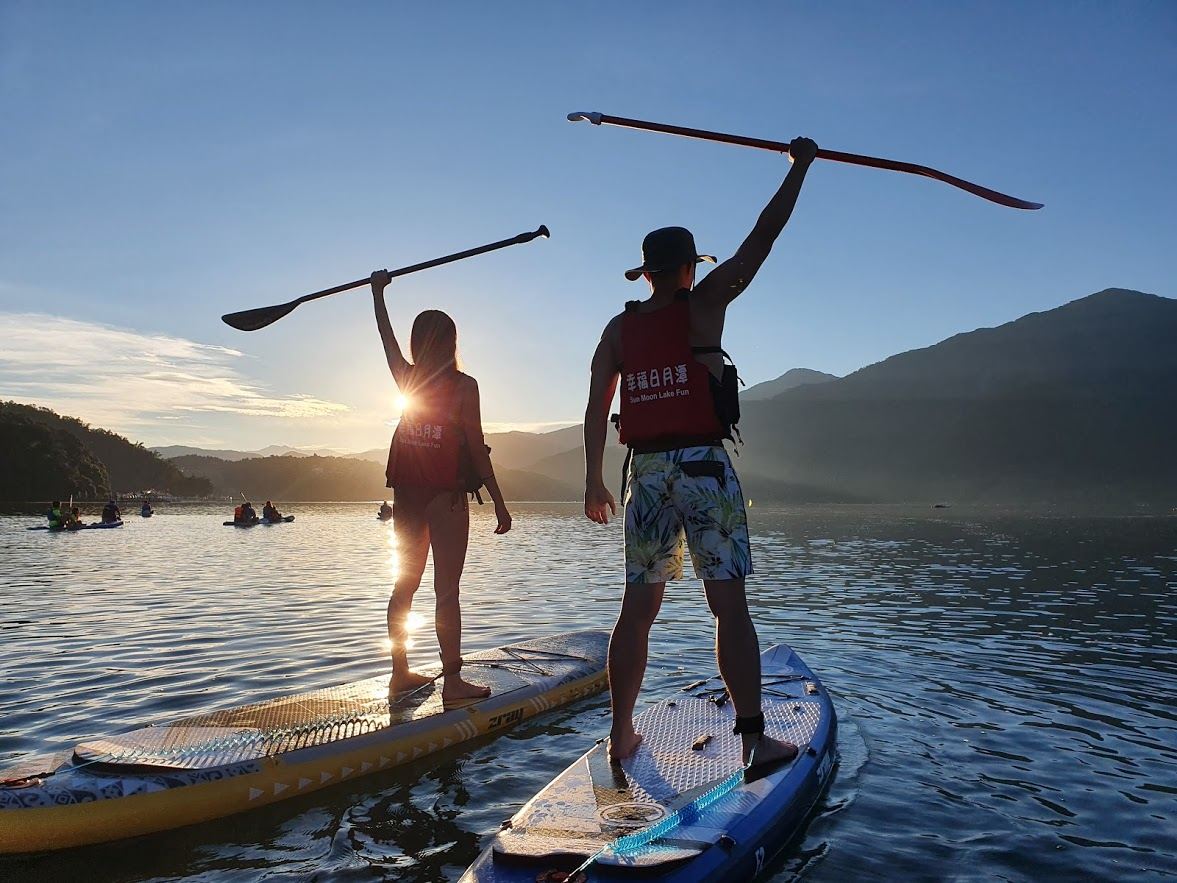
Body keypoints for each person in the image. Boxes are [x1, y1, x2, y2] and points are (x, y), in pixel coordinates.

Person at [583, 137, 819, 773]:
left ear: (647, 273)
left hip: (647, 474)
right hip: (703, 469)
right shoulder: (706, 303)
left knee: (637, 609)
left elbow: (593, 406)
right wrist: (798, 170)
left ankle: (621, 735)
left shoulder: (618, 328)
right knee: (728, 605)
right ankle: (752, 741)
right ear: (688, 267)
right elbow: (761, 240)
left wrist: (591, 482)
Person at [372, 269, 511, 703]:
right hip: (446, 500)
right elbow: (475, 446)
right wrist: (500, 504)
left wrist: (377, 295)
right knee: (446, 591)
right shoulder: (464, 386)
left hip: (408, 498)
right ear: (452, 343)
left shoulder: (406, 378)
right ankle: (452, 682)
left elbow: (385, 339)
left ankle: (401, 673)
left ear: (418, 344)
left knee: (405, 586)